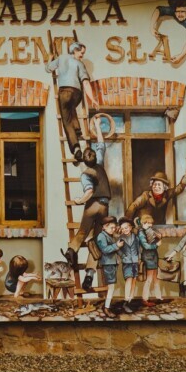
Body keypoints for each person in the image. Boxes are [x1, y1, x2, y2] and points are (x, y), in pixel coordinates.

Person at [45, 41, 98, 160]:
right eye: (81, 53)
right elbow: (85, 83)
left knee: (66, 120)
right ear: (75, 50)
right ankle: (77, 129)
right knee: (71, 108)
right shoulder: (80, 64)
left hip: (64, 92)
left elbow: (48, 69)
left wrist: (49, 59)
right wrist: (92, 99)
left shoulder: (61, 58)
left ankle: (76, 148)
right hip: (76, 93)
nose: (82, 55)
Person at [69, 116, 110, 264]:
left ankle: (71, 251)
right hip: (104, 206)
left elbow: (89, 192)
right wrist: (98, 126)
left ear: (84, 162)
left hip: (92, 205)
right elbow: (101, 144)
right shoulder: (100, 162)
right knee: (98, 238)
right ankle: (90, 271)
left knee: (82, 231)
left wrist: (79, 201)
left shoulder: (85, 174)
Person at [125, 158, 186, 222]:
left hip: (158, 225)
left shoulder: (167, 194)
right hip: (143, 225)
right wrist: (126, 221)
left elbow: (178, 189)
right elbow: (134, 205)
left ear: (164, 187)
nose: (156, 187)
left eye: (159, 185)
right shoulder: (146, 195)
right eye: (155, 184)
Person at [94, 217, 122, 313]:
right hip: (108, 263)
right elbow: (105, 250)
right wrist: (116, 245)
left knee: (111, 287)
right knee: (111, 287)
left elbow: (116, 249)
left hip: (112, 263)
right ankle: (106, 308)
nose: (113, 229)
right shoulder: (101, 236)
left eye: (114, 227)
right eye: (111, 228)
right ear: (104, 227)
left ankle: (107, 305)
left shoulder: (110, 235)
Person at [138, 215, 167, 306]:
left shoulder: (150, 231)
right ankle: (145, 299)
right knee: (149, 279)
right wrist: (156, 245)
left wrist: (158, 237)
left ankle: (158, 297)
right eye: (149, 223)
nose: (150, 225)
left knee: (156, 278)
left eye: (151, 223)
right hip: (148, 257)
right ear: (144, 223)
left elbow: (156, 238)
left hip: (153, 256)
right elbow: (146, 246)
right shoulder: (141, 233)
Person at [118, 218, 143, 312]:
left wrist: (139, 258)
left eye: (126, 227)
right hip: (127, 262)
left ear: (131, 227)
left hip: (135, 261)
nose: (125, 230)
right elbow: (118, 250)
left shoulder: (136, 237)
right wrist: (123, 256)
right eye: (122, 228)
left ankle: (130, 300)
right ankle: (126, 300)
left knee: (134, 280)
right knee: (128, 279)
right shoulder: (121, 238)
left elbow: (138, 249)